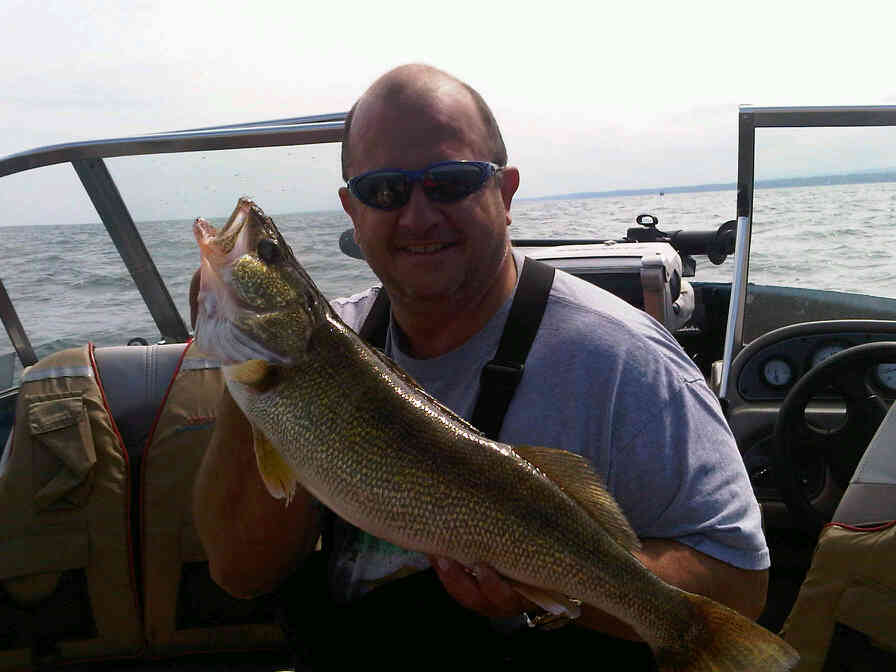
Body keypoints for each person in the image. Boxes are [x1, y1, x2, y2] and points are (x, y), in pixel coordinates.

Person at [192, 64, 769, 667]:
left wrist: (550, 590)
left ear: (506, 192)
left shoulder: (625, 361)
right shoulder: (323, 352)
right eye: (383, 191)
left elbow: (739, 581)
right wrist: (243, 366)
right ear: (352, 212)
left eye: (450, 182)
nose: (417, 216)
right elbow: (240, 572)